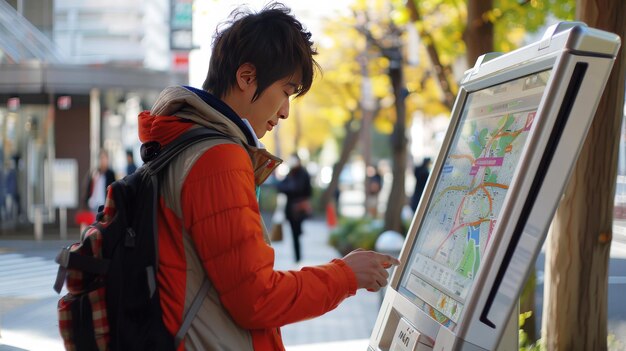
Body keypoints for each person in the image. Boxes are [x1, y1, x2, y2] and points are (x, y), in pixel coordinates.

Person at [135, 4, 400, 350]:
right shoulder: (218, 159)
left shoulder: (182, 143)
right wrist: (346, 275)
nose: (287, 111)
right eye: (287, 91)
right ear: (247, 78)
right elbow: (257, 298)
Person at [276, 154, 312, 263]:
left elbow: (306, 190)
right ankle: (297, 257)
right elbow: (281, 186)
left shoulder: (303, 174)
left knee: (296, 233)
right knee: (295, 233)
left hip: (298, 208)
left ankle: (298, 257)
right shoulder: (291, 173)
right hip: (291, 210)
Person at [83, 149, 115, 214]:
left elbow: (113, 189)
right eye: (101, 158)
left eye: (104, 158)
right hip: (94, 204)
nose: (102, 160)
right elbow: (88, 187)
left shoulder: (110, 174)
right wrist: (87, 200)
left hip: (105, 204)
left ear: (107, 159)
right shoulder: (94, 173)